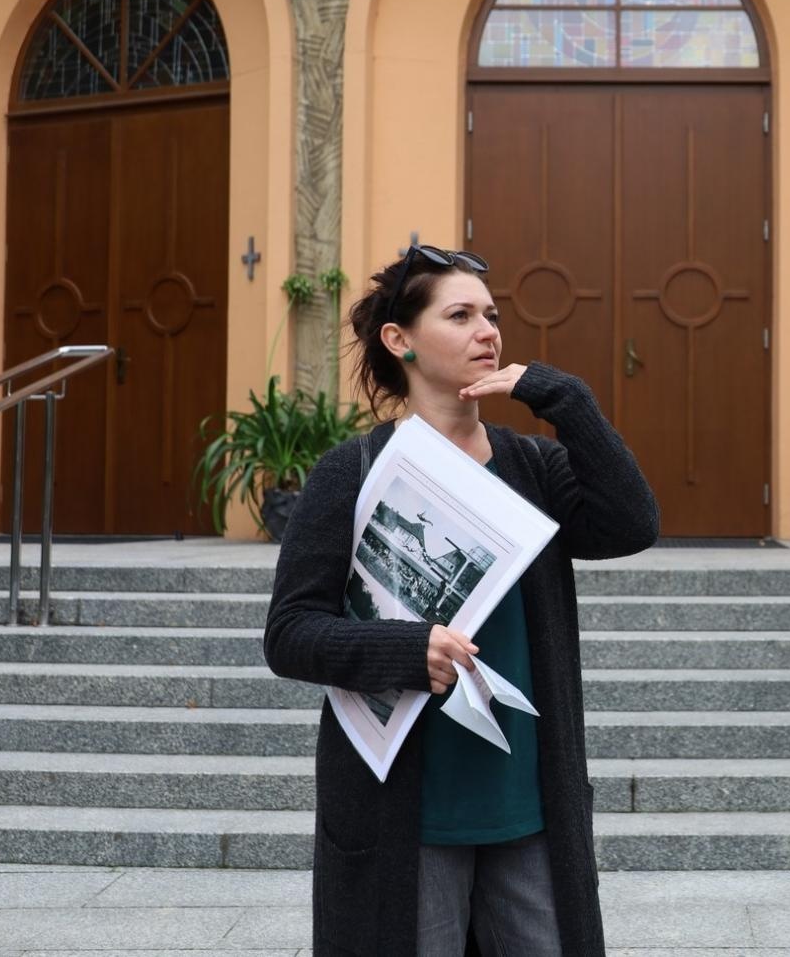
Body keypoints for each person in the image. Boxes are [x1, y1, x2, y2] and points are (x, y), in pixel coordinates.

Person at [263, 245, 660, 956]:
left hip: (529, 809)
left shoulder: (533, 465)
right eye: (461, 314)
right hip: (407, 817)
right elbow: (290, 632)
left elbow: (633, 523)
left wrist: (560, 397)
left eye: (492, 315)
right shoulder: (351, 472)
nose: (488, 331)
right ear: (400, 339)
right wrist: (404, 649)